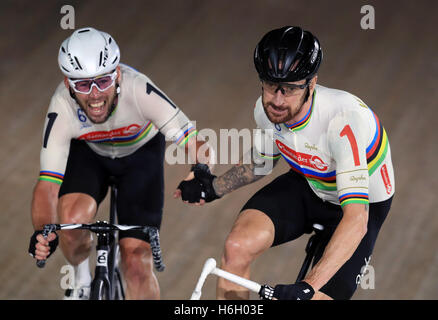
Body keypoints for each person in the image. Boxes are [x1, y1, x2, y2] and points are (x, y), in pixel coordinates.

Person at [176, 26, 395, 300]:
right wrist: (213, 187)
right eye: (270, 85)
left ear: (311, 84)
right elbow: (261, 163)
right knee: (236, 247)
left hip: (358, 208)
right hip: (311, 183)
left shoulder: (343, 122)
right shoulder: (266, 110)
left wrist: (309, 285)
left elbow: (357, 220)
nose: (277, 100)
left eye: (290, 89)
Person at [29, 27, 213, 300]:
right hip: (90, 155)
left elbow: (195, 141)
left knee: (137, 263)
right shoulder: (61, 106)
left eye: (102, 82)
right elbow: (47, 186)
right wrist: (42, 232)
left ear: (117, 75)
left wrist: (200, 171)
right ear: (68, 85)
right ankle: (80, 279)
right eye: (82, 84)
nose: (94, 95)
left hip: (140, 156)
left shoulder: (139, 89)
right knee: (71, 223)